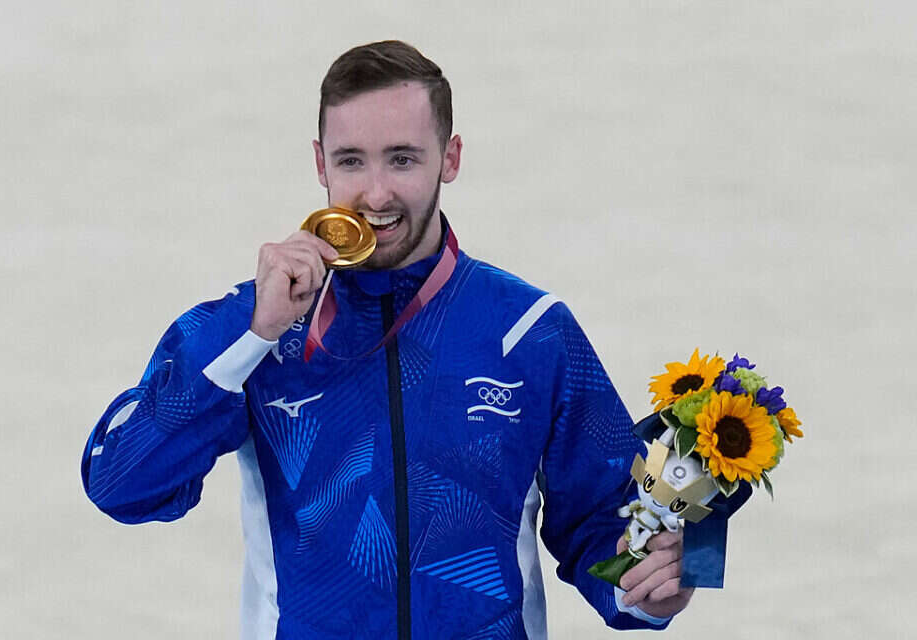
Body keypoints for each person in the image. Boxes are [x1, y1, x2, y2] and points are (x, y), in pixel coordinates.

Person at [81, 40, 693, 639]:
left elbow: (603, 518)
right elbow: (120, 484)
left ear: (449, 158)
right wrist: (252, 332)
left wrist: (645, 587)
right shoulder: (258, 332)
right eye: (352, 161)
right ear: (320, 163)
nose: (375, 195)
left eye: (402, 159)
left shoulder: (528, 330)